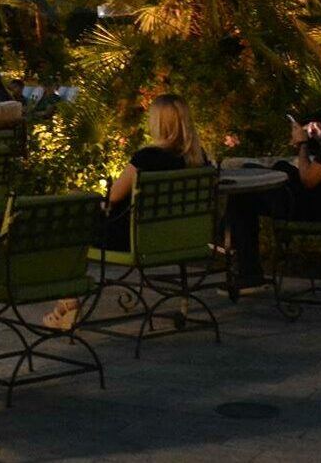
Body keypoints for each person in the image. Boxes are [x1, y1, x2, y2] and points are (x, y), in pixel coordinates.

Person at [43, 94, 209, 328]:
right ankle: (66, 303)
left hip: (131, 239)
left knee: (69, 220)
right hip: (177, 239)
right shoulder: (198, 159)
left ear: (158, 123)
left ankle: (68, 302)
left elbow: (113, 197)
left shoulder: (147, 158)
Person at [225, 67, 321, 287]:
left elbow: (309, 179)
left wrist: (302, 144)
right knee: (261, 170)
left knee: (243, 195)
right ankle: (231, 248)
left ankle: (246, 271)